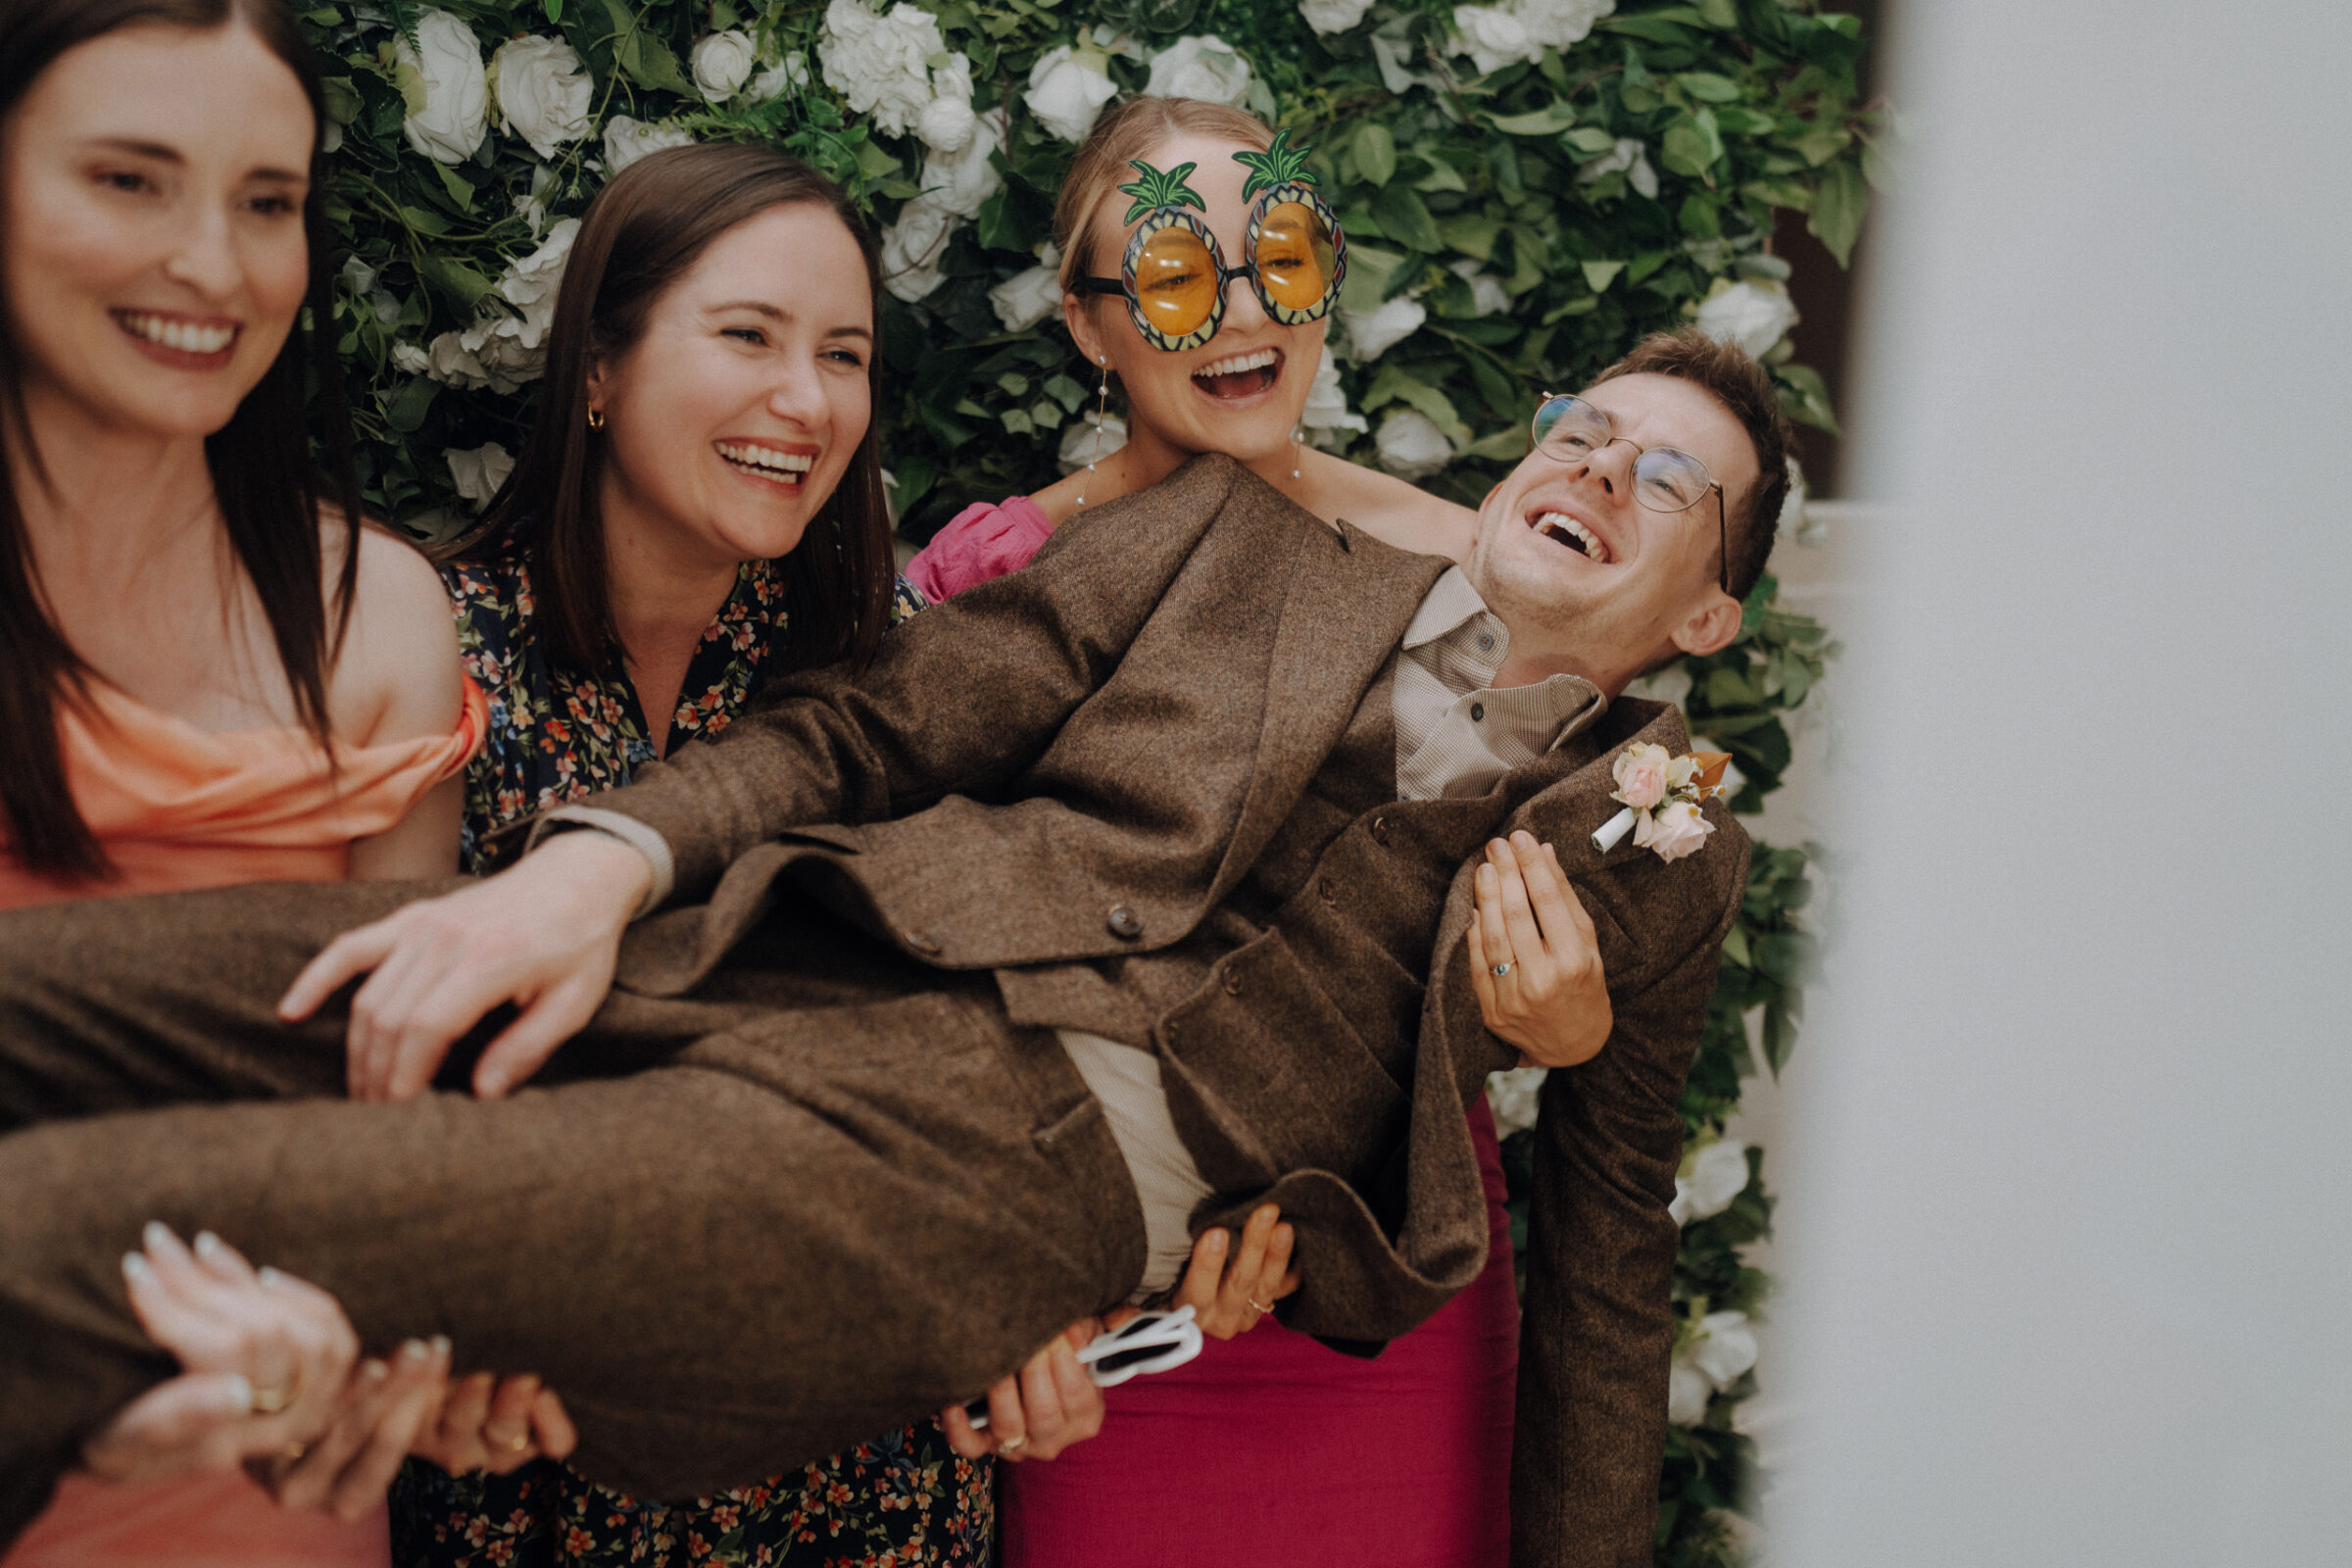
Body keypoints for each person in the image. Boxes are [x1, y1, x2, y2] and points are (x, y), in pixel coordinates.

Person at [0, 325, 1791, 1568]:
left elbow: (1610, 1265)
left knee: (83, 1236)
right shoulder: (1234, 547)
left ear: (1706, 611)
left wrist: (1534, 1054)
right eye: (1584, 430)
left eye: (1668, 482)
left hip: (1009, 1175)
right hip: (762, 951)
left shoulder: (1660, 843)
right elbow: (875, 725)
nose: (1600, 472)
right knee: (72, 999)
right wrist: (598, 866)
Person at [906, 97, 1529, 1568]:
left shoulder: (1464, 569)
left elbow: (1476, 943)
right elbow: (946, 954)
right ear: (1087, 324)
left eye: (1284, 256)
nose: (1245, 314)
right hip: (1107, 1294)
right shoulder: (1005, 581)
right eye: (1181, 277)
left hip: (1392, 1272)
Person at [389, 138, 990, 1568]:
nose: (807, 398)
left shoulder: (886, 677)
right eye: (747, 336)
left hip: (870, 1471)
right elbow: (388, 1091)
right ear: (596, 366)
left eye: (844, 354)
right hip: (539, 1451)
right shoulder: (432, 651)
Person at [0, 0, 500, 1562]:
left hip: (267, 1486)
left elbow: (389, 1138)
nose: (214, 267)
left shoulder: (378, 622)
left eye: (266, 202)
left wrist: (421, 1344)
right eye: (131, 181)